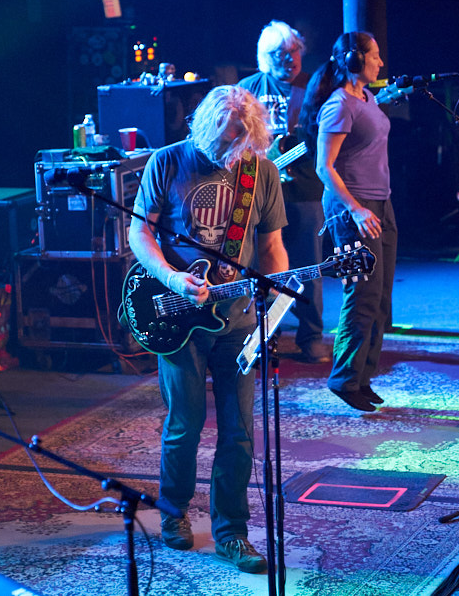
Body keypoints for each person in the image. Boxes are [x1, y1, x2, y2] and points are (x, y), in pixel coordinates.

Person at [129, 85, 289, 574]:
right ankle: (173, 512)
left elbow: (272, 248)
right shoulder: (168, 161)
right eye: (222, 139)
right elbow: (139, 230)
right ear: (203, 127)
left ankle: (232, 533)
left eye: (240, 139)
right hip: (178, 314)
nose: (230, 148)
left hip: (237, 319)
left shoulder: (261, 172)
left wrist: (275, 305)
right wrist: (172, 278)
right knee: (186, 422)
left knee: (239, 431)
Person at [298, 31, 396, 413]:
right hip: (352, 208)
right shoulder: (338, 105)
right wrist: (356, 209)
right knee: (362, 294)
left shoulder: (367, 97)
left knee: (381, 297)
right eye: (375, 56)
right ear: (354, 60)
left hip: (381, 204)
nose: (380, 62)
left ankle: (362, 377)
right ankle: (344, 379)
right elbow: (324, 167)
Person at [238, 20, 330, 364]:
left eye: (294, 51)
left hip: (304, 191)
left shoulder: (315, 87)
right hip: (259, 193)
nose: (290, 59)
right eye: (281, 54)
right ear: (265, 57)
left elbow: (330, 133)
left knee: (308, 267)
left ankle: (311, 337)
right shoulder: (248, 89)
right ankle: (263, 338)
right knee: (261, 269)